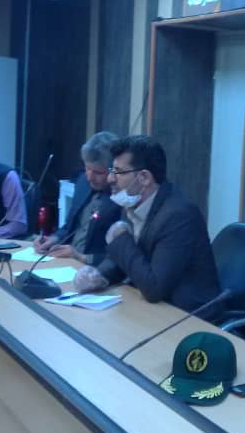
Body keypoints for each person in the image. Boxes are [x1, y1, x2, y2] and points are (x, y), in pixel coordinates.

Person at [72, 135, 221, 315]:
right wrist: (99, 276)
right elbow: (121, 260)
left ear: (144, 177)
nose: (110, 178)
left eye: (118, 172)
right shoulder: (132, 202)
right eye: (111, 170)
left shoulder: (178, 216)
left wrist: (121, 238)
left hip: (187, 315)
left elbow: (154, 288)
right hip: (151, 308)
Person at [32, 131, 122, 266]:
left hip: (95, 268)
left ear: (114, 171)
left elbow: (121, 258)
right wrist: (54, 239)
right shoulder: (82, 183)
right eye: (87, 168)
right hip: (66, 262)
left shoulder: (122, 198)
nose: (90, 177)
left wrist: (80, 257)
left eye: (98, 172)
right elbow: (69, 227)